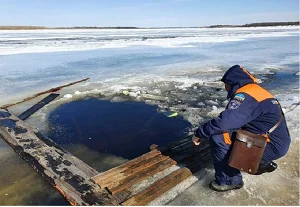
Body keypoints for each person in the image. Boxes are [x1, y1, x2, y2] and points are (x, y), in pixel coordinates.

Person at [192, 65, 291, 192]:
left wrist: (200, 133)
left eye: (226, 84)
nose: (225, 88)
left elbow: (224, 123)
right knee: (227, 130)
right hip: (275, 140)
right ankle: (258, 161)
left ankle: (230, 180)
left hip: (270, 144)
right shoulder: (255, 91)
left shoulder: (246, 96)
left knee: (219, 136)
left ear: (232, 83)